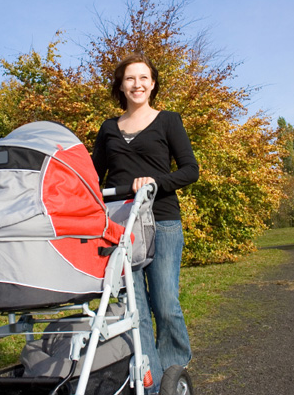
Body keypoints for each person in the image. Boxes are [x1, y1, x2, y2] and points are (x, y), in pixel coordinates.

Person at [91, 53, 199, 393]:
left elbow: (189, 170)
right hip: (122, 226)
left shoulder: (168, 121)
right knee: (133, 310)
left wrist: (154, 182)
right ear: (120, 86)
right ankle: (149, 383)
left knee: (165, 302)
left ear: (152, 84)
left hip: (162, 220)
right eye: (129, 79)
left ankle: (173, 372)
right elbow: (94, 178)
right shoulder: (108, 128)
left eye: (143, 78)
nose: (136, 84)